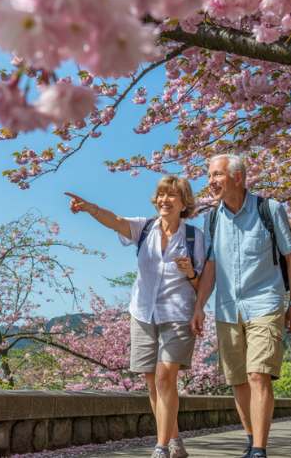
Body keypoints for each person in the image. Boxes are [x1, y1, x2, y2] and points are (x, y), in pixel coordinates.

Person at [66, 175, 205, 458]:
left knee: (166, 378)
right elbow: (115, 220)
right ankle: (174, 440)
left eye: (171, 195)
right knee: (152, 382)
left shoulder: (194, 237)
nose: (164, 200)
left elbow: (202, 284)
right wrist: (91, 208)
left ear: (184, 203)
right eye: (161, 195)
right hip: (142, 313)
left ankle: (161, 446)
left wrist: (190, 271)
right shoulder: (144, 229)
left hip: (177, 314)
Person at [191, 154, 291, 458]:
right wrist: (200, 305)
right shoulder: (212, 218)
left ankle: (259, 450)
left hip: (265, 302)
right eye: (209, 175)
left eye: (217, 175)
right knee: (238, 379)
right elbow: (211, 265)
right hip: (227, 307)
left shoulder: (270, 209)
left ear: (237, 178)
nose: (210, 181)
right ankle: (251, 437)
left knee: (258, 375)